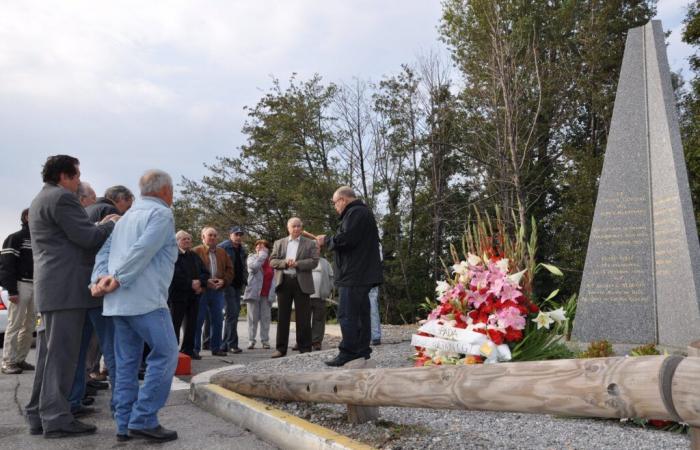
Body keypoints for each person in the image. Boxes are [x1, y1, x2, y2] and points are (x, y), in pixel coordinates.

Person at [25, 155, 116, 438]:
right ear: (64, 176)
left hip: (54, 289)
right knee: (62, 358)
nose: (78, 181)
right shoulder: (62, 199)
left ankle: (38, 414)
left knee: (49, 357)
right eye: (76, 176)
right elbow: (87, 237)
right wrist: (110, 224)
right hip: (66, 291)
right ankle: (56, 418)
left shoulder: (42, 198)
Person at [90, 169, 179, 443]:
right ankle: (144, 418)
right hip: (146, 300)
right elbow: (143, 249)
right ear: (165, 191)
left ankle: (124, 422)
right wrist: (117, 279)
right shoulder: (161, 214)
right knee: (165, 355)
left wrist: (98, 280)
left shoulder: (125, 218)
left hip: (117, 304)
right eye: (172, 191)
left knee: (126, 364)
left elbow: (104, 252)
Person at [316, 186, 383, 367]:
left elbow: (346, 239)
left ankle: (349, 352)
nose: (335, 207)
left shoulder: (355, 214)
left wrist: (327, 240)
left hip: (354, 274)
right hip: (361, 274)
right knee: (360, 314)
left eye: (335, 203)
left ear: (343, 200)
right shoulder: (362, 213)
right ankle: (361, 351)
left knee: (348, 314)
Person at [269, 217, 319, 358]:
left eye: (299, 226)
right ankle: (280, 349)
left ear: (301, 227)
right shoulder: (279, 243)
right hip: (284, 281)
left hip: (301, 282)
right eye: (294, 226)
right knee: (283, 317)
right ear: (288, 228)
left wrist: (298, 264)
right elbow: (272, 261)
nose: (296, 228)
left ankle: (305, 348)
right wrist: (285, 263)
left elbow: (314, 262)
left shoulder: (310, 243)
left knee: (303, 317)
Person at [0, 208, 35, 374]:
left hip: (37, 285)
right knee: (14, 325)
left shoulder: (39, 239)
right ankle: (8, 361)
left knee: (30, 325)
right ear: (27, 217)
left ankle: (20, 359)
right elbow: (6, 266)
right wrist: (12, 290)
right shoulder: (15, 238)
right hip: (21, 285)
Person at [192, 227, 233, 357]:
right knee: (198, 320)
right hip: (202, 291)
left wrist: (224, 281)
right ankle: (195, 349)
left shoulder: (222, 252)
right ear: (203, 237)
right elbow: (192, 271)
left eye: (215, 235)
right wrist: (205, 281)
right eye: (210, 235)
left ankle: (216, 348)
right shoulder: (196, 251)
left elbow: (230, 269)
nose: (213, 238)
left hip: (217, 291)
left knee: (218, 319)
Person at [168, 230, 209, 359]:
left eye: (188, 239)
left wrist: (200, 283)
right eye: (183, 239)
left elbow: (205, 273)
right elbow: (174, 275)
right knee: (175, 324)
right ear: (177, 241)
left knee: (192, 324)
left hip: (193, 296)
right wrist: (190, 283)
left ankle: (188, 350)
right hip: (177, 296)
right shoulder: (172, 255)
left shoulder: (194, 255)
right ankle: (172, 352)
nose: (187, 241)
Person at [218, 226, 247, 353]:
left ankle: (226, 344)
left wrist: (245, 281)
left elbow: (243, 266)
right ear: (230, 235)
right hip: (227, 284)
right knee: (232, 314)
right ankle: (230, 344)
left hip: (238, 285)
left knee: (233, 314)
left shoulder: (242, 249)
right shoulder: (223, 247)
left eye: (240, 235)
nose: (239, 237)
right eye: (236, 234)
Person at [242, 240, 274, 350]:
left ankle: (265, 341)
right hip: (254, 292)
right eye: (258, 246)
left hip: (267, 293)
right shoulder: (252, 258)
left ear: (268, 249)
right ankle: (251, 340)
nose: (260, 248)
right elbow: (253, 268)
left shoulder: (272, 261)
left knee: (265, 318)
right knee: (252, 318)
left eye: (263, 246)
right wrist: (261, 257)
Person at [309, 256, 334, 351]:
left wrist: (328, 289)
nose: (315, 249)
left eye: (318, 247)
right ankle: (302, 341)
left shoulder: (325, 262)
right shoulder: (304, 259)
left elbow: (331, 276)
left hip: (321, 296)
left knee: (319, 320)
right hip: (305, 295)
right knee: (303, 320)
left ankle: (316, 341)